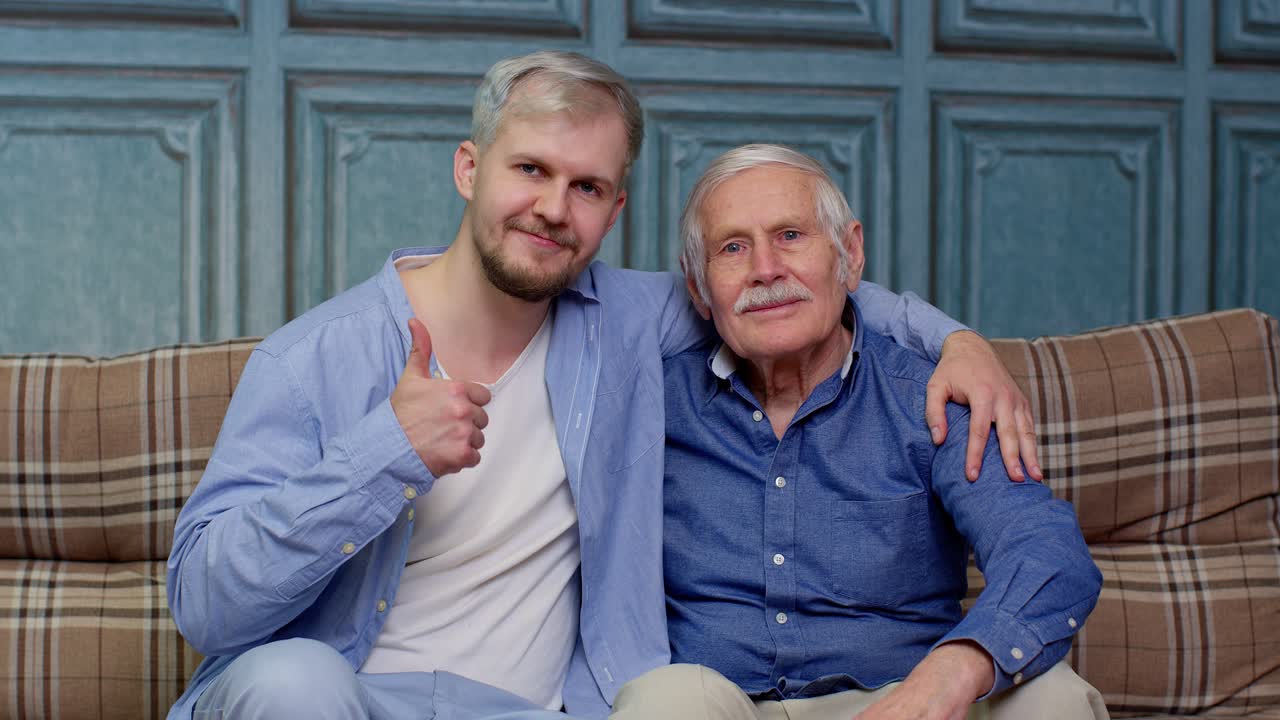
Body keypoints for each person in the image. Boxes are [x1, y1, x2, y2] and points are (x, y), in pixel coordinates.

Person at [166, 53, 1041, 720]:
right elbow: (206, 605)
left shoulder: (632, 320)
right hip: (347, 699)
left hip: (547, 712)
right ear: (471, 169)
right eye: (530, 171)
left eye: (586, 187)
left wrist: (955, 339)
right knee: (292, 678)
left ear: (614, 211)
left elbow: (784, 291)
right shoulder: (313, 357)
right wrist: (381, 454)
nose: (554, 208)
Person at [609, 144, 1107, 720]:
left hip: (908, 700)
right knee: (663, 699)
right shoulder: (651, 404)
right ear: (699, 288)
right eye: (733, 248)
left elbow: (1045, 549)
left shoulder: (934, 396)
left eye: (791, 235)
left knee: (1054, 696)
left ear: (849, 254)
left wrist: (958, 666)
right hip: (723, 705)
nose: (765, 269)